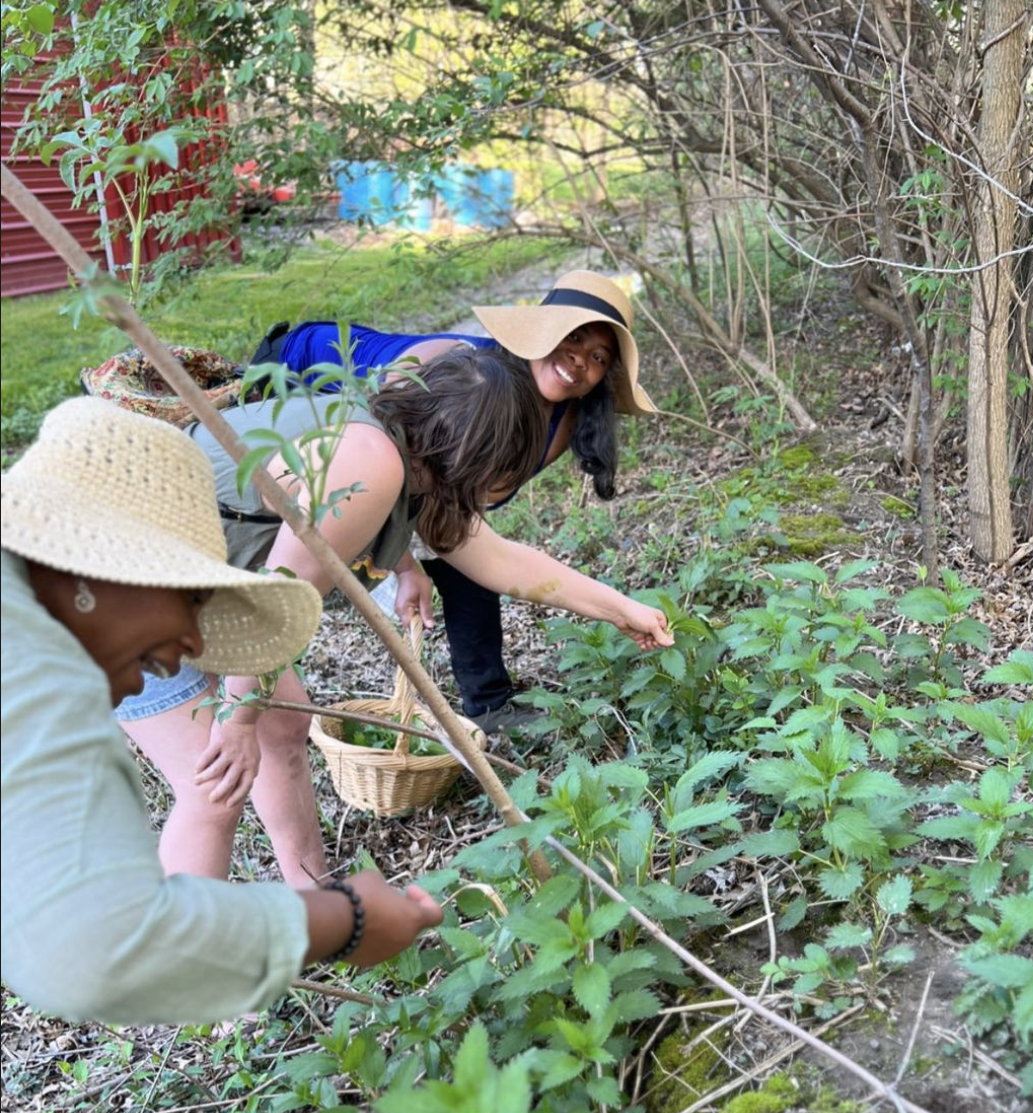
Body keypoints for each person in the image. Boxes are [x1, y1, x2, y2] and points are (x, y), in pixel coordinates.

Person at [118, 341, 672, 889]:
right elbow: (277, 599)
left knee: (282, 722)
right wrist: (236, 720)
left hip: (200, 576)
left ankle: (314, 897)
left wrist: (621, 609)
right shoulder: (372, 462)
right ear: (477, 451)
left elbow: (503, 561)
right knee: (212, 786)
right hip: (123, 568)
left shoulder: (403, 452)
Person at [0, 396, 443, 1027]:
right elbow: (93, 954)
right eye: (197, 599)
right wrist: (339, 922)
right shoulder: (33, 656)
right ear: (110, 576)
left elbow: (37, 932)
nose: (193, 648)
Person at [249, 270, 657, 731]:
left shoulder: (561, 417)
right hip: (296, 374)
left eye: (598, 356)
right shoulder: (461, 373)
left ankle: (487, 704)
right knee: (285, 550)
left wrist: (619, 608)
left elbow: (464, 531)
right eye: (573, 336)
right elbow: (371, 472)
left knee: (458, 547)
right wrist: (403, 564)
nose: (579, 359)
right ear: (541, 330)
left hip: (387, 468)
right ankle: (249, 680)